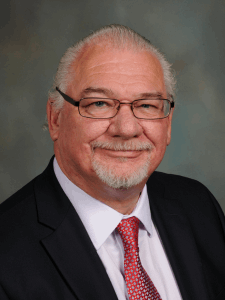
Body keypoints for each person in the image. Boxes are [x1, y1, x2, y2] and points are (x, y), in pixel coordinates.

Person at [0, 24, 225, 300]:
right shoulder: (7, 250)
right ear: (55, 118)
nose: (126, 128)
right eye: (99, 104)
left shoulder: (199, 207)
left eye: (146, 105)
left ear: (167, 125)